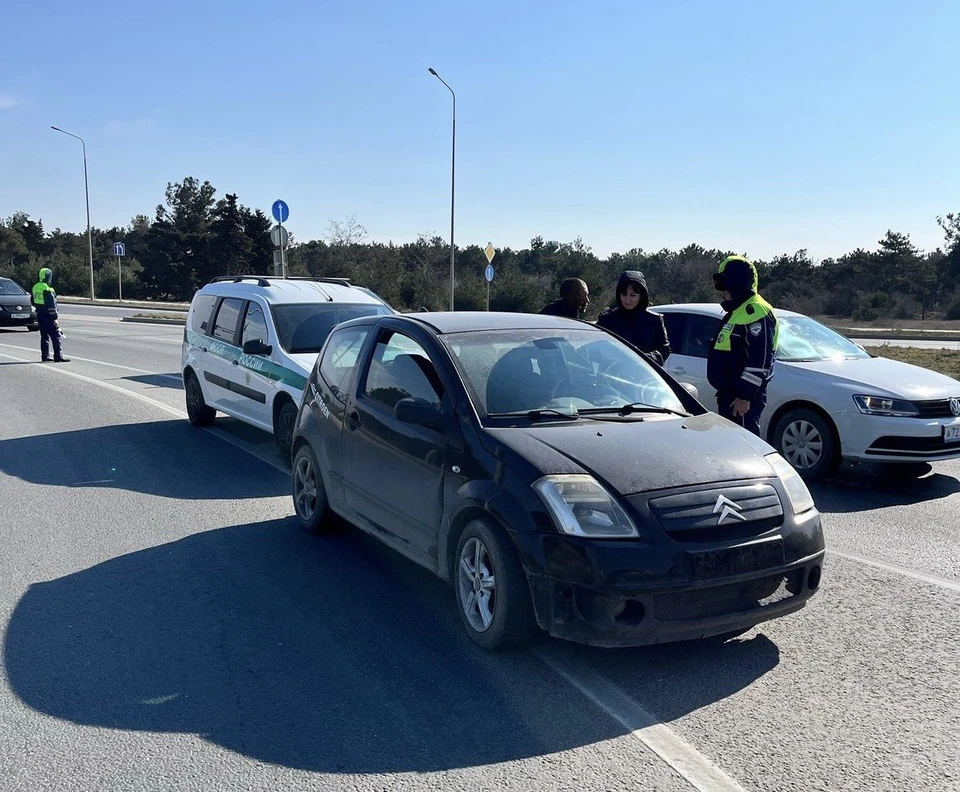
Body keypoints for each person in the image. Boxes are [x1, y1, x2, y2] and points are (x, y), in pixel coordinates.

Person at [707, 255, 777, 436]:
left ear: (736, 284)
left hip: (742, 400)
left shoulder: (756, 311)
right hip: (729, 395)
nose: (722, 293)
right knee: (730, 446)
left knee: (745, 446)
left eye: (725, 287)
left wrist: (744, 396)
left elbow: (759, 362)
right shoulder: (736, 311)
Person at [596, 270, 670, 365]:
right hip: (612, 374)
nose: (628, 300)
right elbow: (595, 347)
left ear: (641, 296)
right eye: (624, 294)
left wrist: (642, 357)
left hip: (643, 374)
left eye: (633, 295)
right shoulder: (607, 319)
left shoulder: (654, 320)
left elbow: (664, 349)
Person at [31, 267, 69, 363]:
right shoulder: (48, 289)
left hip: (40, 315)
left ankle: (45, 356)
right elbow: (51, 305)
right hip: (48, 316)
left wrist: (38, 309)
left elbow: (32, 301)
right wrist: (54, 318)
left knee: (44, 337)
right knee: (56, 335)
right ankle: (58, 356)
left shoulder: (35, 287)